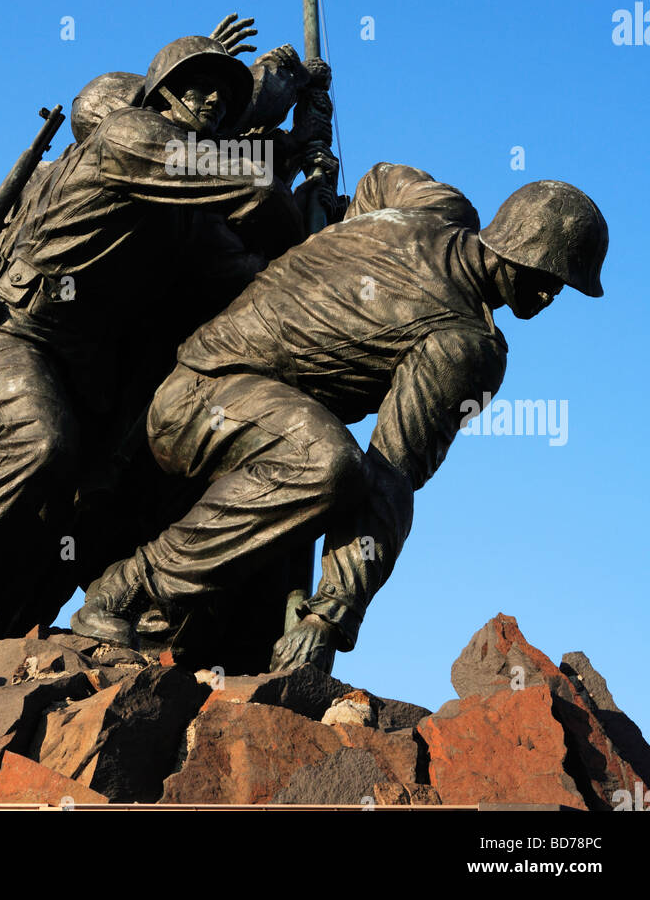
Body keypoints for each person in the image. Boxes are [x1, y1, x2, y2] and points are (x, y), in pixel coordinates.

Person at [0, 32, 330, 660]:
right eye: (196, 85)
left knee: (49, 540)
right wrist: (276, 99)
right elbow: (250, 187)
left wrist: (313, 182)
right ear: (158, 95)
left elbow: (250, 273)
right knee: (37, 445)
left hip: (90, 373)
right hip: (21, 337)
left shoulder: (182, 218)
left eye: (223, 92)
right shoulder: (132, 135)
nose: (210, 99)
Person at [72, 166, 608, 673]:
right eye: (549, 277)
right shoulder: (466, 346)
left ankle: (167, 632)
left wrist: (339, 238)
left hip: (204, 397)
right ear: (517, 252)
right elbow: (389, 476)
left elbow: (377, 180)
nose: (551, 294)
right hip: (202, 408)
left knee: (250, 615)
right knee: (328, 465)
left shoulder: (437, 206)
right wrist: (330, 614)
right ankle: (127, 591)